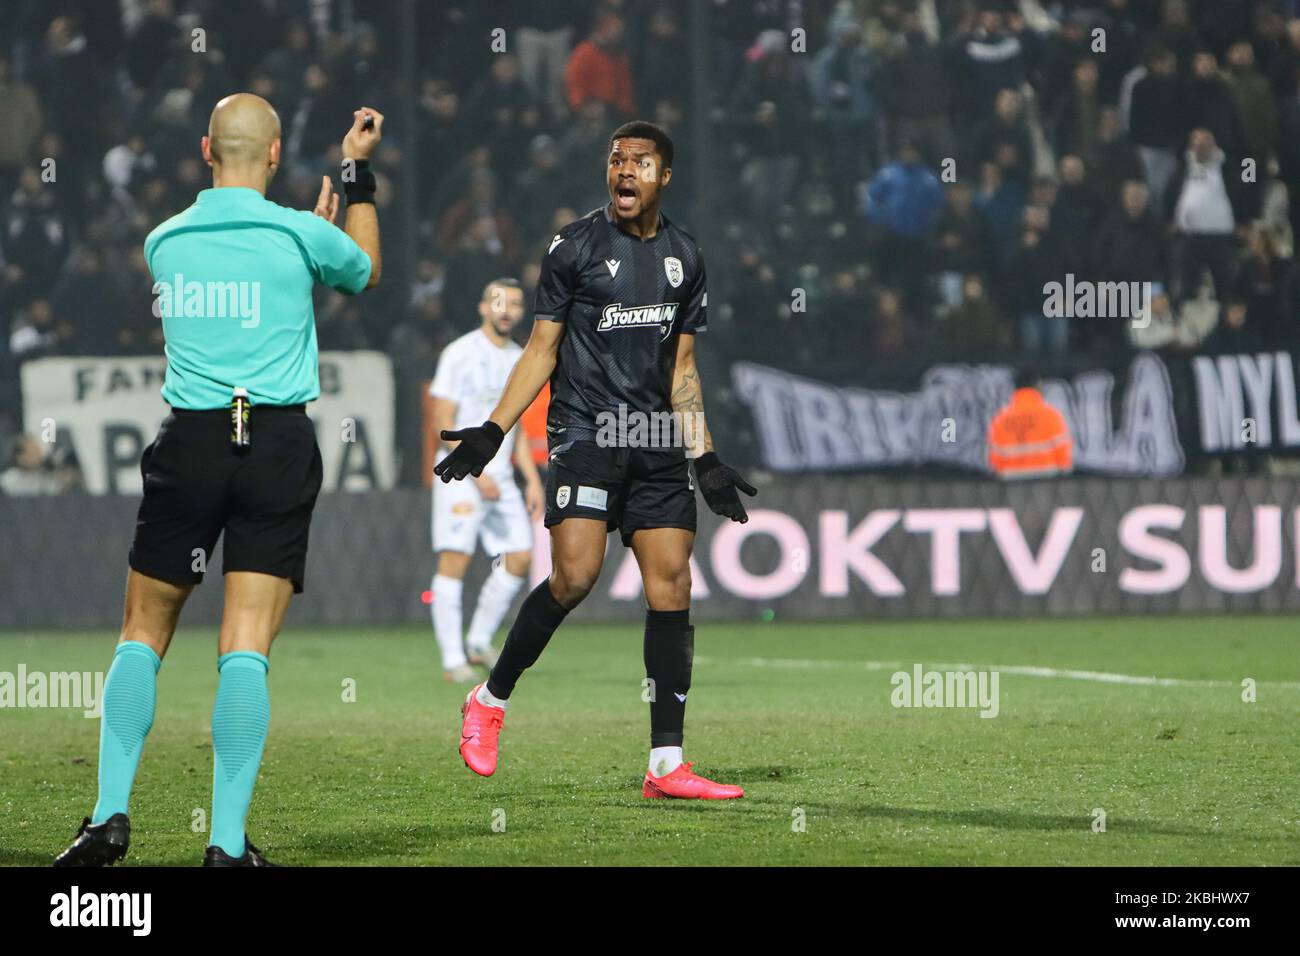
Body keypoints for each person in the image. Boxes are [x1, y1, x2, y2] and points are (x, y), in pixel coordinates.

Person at [53, 94, 383, 867]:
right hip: (274, 442)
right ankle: (225, 846)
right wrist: (353, 180)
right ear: (274, 155)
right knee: (244, 649)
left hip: (191, 441)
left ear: (206, 149)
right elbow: (363, 273)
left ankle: (107, 820)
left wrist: (302, 233)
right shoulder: (299, 232)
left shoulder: (162, 241)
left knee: (141, 635)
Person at [436, 120, 755, 800]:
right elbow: (541, 349)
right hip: (585, 433)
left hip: (658, 441)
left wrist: (706, 458)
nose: (625, 172)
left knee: (672, 588)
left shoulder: (686, 257)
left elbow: (684, 369)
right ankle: (489, 701)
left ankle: (666, 765)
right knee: (574, 578)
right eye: (616, 161)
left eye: (640, 162)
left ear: (664, 175)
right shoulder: (574, 247)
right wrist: (495, 431)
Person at [429, 278, 543, 683]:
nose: (506, 309)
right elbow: (442, 421)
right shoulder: (459, 353)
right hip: (461, 475)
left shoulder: (520, 357)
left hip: (501, 475)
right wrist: (475, 477)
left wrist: (530, 479)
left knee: (521, 557)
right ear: (482, 307)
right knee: (454, 561)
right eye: (498, 301)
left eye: (514, 302)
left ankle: (477, 640)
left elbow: (520, 429)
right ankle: (451, 659)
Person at [988, 371, 1073, 480]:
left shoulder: (1000, 419)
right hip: (1046, 483)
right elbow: (1063, 457)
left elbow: (996, 463)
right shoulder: (1050, 416)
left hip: (1012, 486)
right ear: (1037, 386)